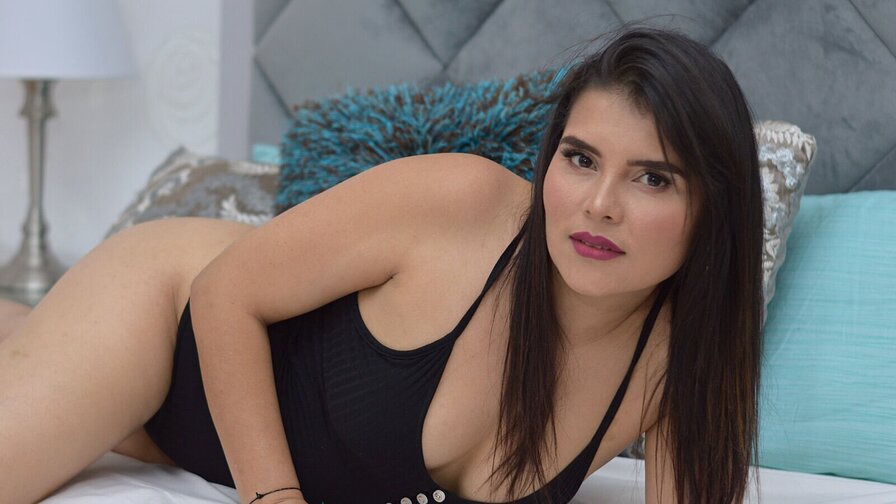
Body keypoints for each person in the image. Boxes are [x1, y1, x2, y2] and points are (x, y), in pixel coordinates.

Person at [0, 26, 763, 504]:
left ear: (714, 210)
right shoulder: (465, 204)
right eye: (581, 158)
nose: (598, 205)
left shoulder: (678, 366)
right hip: (165, 322)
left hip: (188, 439)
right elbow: (224, 291)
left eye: (652, 178)